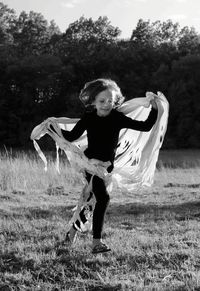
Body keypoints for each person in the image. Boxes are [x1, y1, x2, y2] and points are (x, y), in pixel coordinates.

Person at [60, 78, 158, 254]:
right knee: (103, 199)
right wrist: (52, 128)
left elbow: (145, 126)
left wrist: (155, 107)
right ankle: (96, 243)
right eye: (102, 101)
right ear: (93, 102)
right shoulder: (89, 118)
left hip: (106, 168)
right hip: (89, 165)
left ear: (116, 101)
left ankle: (72, 232)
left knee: (94, 201)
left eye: (110, 101)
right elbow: (71, 135)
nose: (106, 104)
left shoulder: (117, 118)